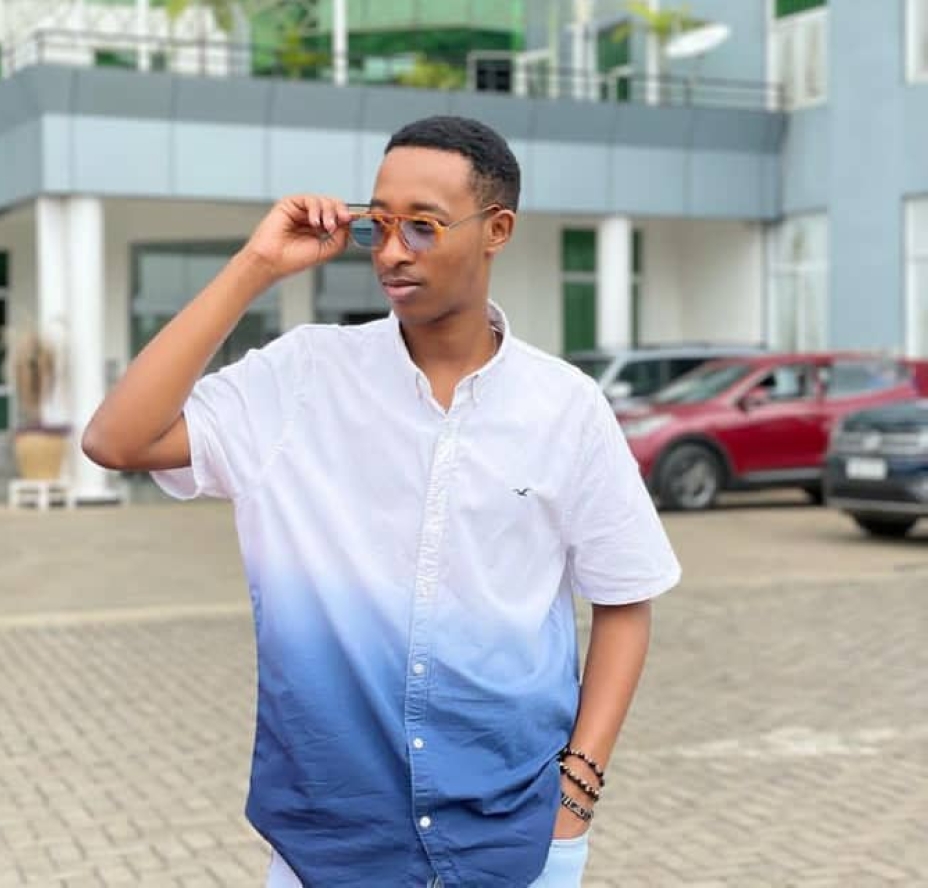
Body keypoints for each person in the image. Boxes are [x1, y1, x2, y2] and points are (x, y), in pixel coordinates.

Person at [83, 115, 681, 888]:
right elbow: (117, 441)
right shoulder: (302, 378)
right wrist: (256, 266)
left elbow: (625, 599)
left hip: (516, 843)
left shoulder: (566, 407)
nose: (393, 252)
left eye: (423, 226)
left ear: (497, 230)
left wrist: (576, 797)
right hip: (330, 846)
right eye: (379, 224)